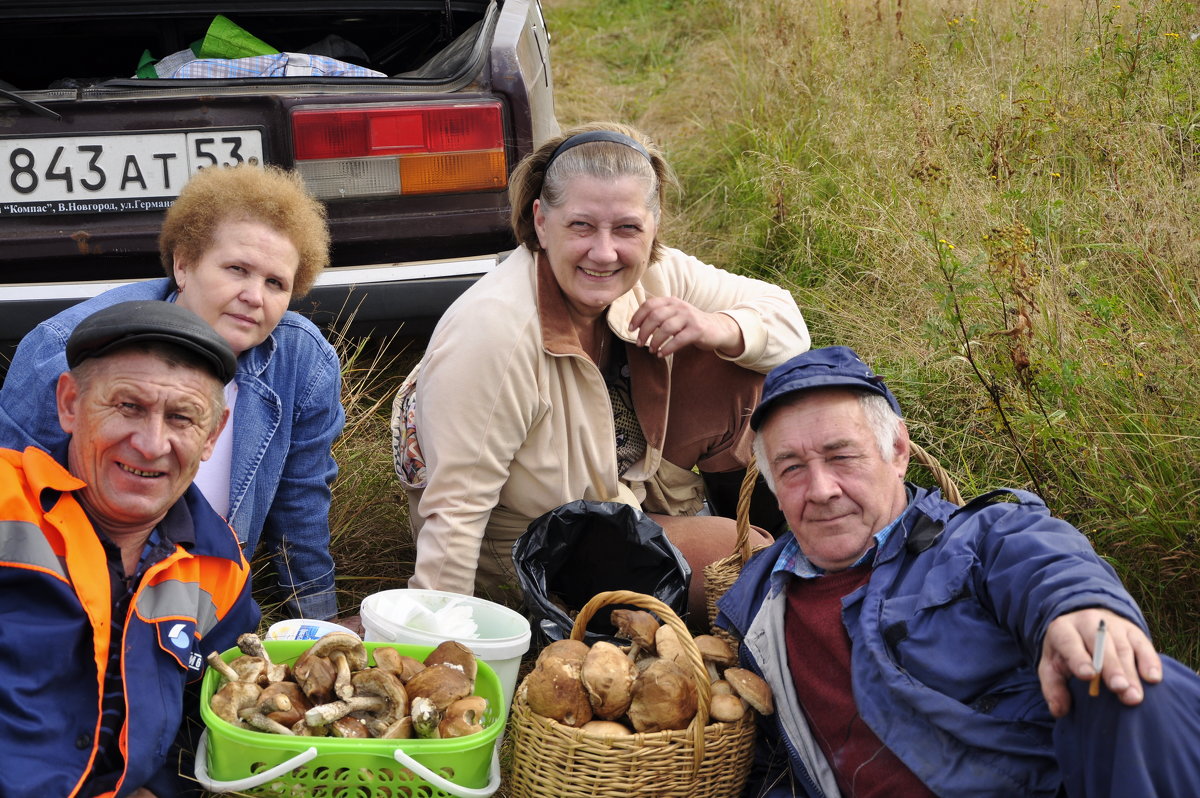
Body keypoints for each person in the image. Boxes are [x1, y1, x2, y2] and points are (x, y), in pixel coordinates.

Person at [715, 345, 1200, 798]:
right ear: (774, 486)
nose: (821, 489)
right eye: (792, 467)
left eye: (842, 456)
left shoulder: (973, 538)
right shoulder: (755, 606)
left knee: (1135, 686)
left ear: (898, 452)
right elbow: (770, 768)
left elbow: (1040, 559)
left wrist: (1080, 608)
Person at [391, 122, 810, 617]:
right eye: (581, 226)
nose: (605, 252)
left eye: (627, 228)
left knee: (743, 366)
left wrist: (714, 326)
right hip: (543, 542)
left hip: (624, 487)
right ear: (542, 222)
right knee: (751, 566)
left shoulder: (656, 271)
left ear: (653, 227)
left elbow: (788, 327)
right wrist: (443, 635)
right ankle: (749, 553)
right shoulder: (493, 334)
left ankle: (752, 532)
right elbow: (455, 515)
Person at [0, 164, 346, 621]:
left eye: (275, 283)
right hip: (72, 603)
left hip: (209, 601)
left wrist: (318, 633)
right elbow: (14, 505)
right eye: (237, 269)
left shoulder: (303, 362)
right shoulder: (66, 349)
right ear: (183, 264)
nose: (254, 296)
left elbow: (300, 510)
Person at [0, 300, 260, 797]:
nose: (150, 443)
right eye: (128, 406)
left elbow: (207, 721)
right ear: (70, 403)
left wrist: (161, 788)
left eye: (183, 417)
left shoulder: (221, 569)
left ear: (213, 435)